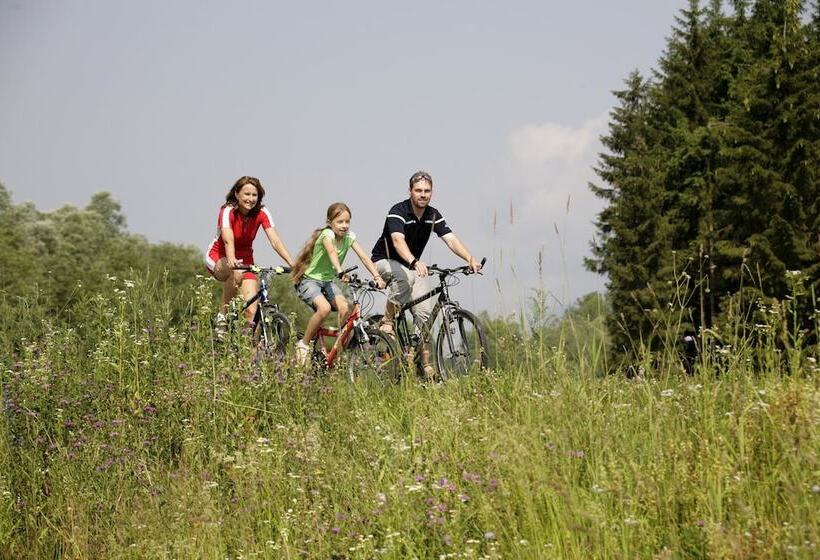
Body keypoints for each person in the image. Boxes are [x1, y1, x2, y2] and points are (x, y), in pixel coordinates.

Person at [370, 170, 482, 376]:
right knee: (405, 277)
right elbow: (397, 240)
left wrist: (470, 259)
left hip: (412, 266)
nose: (423, 194)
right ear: (410, 191)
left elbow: (451, 239)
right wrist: (414, 260)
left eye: (427, 191)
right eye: (418, 190)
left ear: (432, 192)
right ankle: (387, 321)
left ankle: (422, 363)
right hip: (384, 260)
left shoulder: (433, 215)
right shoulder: (398, 210)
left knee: (424, 313)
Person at [291, 202, 386, 365]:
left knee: (345, 307)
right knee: (324, 308)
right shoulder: (327, 235)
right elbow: (332, 252)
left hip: (327, 281)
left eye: (347, 222)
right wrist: (340, 271)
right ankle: (304, 344)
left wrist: (377, 276)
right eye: (339, 222)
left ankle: (336, 348)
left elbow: (364, 257)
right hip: (309, 280)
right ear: (330, 222)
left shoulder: (350, 237)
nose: (344, 226)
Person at [205, 176, 295, 325]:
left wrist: (292, 263)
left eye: (255, 195)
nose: (251, 199)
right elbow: (228, 238)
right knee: (232, 271)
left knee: (252, 310)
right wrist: (232, 258)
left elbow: (275, 240)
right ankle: (222, 316)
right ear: (237, 194)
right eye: (247, 194)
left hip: (246, 259)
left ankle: (248, 344)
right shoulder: (228, 210)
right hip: (220, 255)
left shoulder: (262, 212)